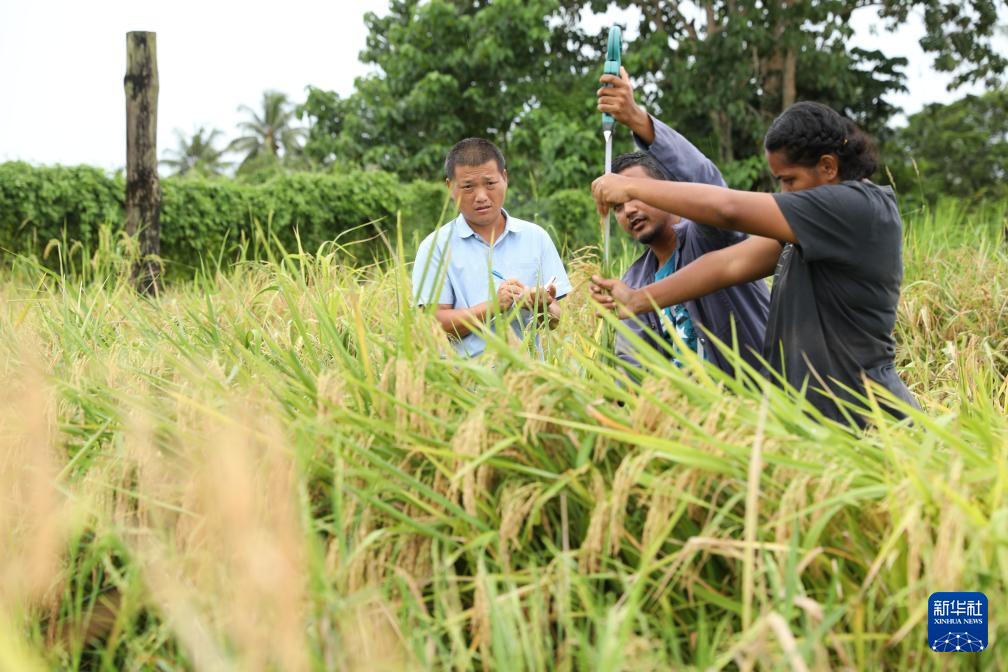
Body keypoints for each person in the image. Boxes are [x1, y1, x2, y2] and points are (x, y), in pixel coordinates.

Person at [589, 101, 919, 425]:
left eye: (790, 181)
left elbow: (727, 210)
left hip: (872, 419)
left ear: (829, 167)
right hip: (817, 422)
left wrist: (632, 186)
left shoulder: (857, 208)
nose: (784, 192)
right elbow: (726, 266)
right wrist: (638, 299)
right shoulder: (807, 229)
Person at [597, 67, 769, 375]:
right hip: (689, 417)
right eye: (619, 207)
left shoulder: (711, 239)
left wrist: (637, 119)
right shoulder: (633, 283)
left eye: (637, 194)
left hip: (757, 407)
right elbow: (633, 366)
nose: (630, 210)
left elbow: (711, 190)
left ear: (666, 191)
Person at [413, 138, 572, 357]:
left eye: (490, 183)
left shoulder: (536, 238)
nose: (481, 197)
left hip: (529, 381)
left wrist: (538, 304)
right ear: (450, 187)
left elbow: (554, 318)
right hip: (463, 382)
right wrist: (495, 306)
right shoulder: (435, 247)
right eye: (468, 187)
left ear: (505, 178)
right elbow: (434, 323)